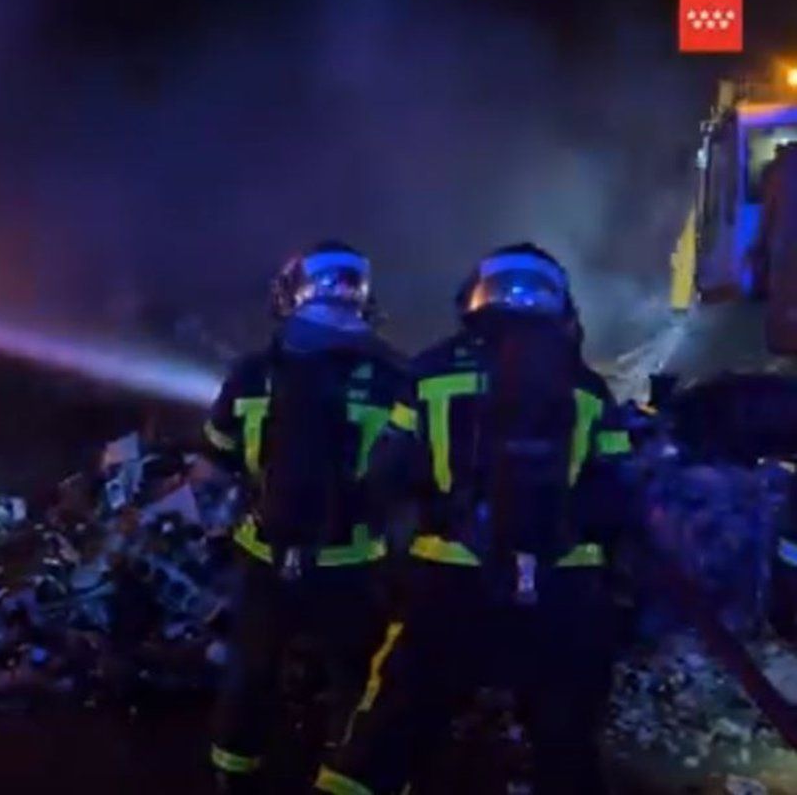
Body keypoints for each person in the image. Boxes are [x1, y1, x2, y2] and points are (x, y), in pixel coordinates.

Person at [315, 244, 638, 795]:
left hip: (447, 583)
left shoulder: (431, 371)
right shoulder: (588, 387)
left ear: (472, 297)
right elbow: (616, 495)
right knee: (566, 747)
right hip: (563, 592)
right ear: (560, 303)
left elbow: (386, 476)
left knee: (387, 731)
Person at [205, 241, 409, 794]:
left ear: (295, 290)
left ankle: (233, 777)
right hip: (355, 561)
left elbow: (220, 447)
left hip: (265, 554)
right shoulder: (394, 373)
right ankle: (345, 779)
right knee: (355, 681)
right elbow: (411, 468)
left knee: (250, 673)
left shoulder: (254, 370)